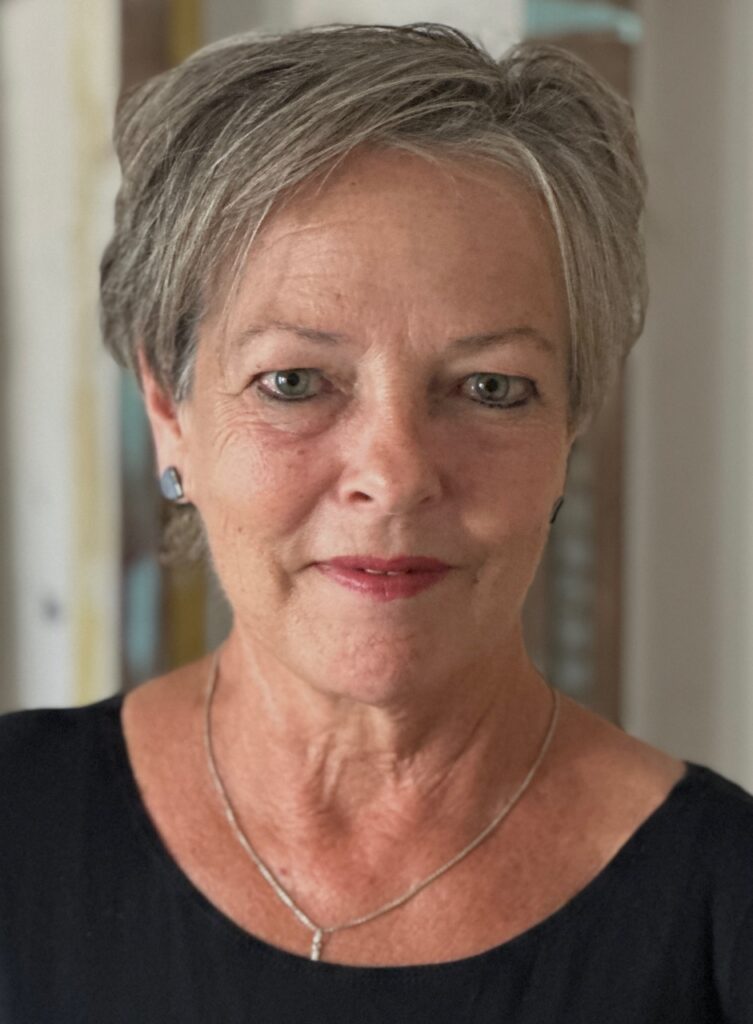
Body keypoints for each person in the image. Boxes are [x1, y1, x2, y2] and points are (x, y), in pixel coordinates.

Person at [1, 23, 752, 1023]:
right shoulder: (15, 829)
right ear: (167, 409)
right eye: (295, 381)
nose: (395, 476)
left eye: (491, 386)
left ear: (572, 421)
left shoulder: (723, 906)